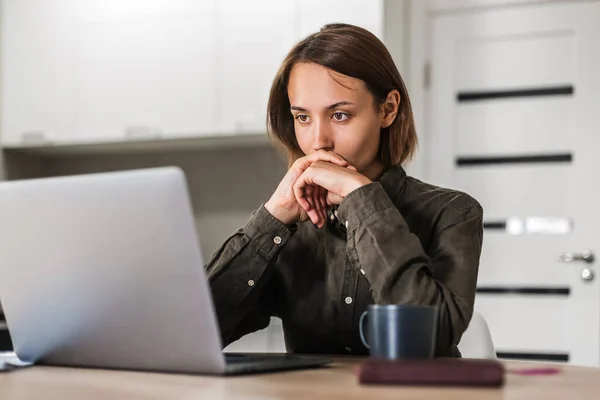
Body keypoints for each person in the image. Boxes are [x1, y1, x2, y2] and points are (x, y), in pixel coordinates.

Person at [205, 23, 483, 358]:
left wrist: (359, 197)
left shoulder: (453, 212)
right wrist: (273, 215)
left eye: (339, 114)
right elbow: (200, 331)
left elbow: (429, 336)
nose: (318, 141)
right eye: (303, 118)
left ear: (388, 109)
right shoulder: (291, 228)